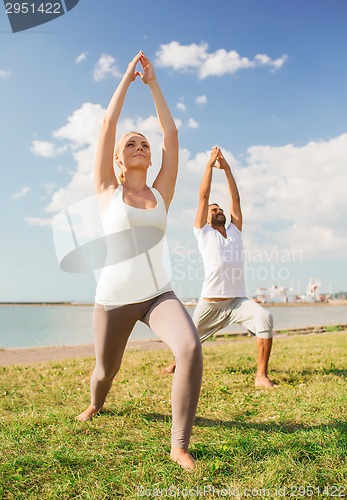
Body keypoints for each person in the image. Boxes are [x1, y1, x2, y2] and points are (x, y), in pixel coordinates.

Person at [77, 51, 202, 470]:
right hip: (112, 300)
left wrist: (153, 84)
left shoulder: (161, 192)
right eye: (131, 143)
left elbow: (171, 133)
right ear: (118, 158)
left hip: (156, 294)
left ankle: (178, 445)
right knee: (104, 372)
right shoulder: (106, 191)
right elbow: (107, 126)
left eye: (144, 144)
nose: (139, 145)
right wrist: (126, 81)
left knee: (188, 347)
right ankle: (96, 404)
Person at [165, 146, 274, 388]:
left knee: (264, 318)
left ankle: (261, 376)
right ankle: (176, 364)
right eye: (214, 210)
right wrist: (209, 166)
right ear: (205, 217)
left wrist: (227, 169)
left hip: (237, 301)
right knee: (189, 341)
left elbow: (235, 199)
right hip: (210, 303)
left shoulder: (235, 231)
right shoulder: (203, 233)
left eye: (220, 209)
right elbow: (203, 196)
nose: (219, 211)